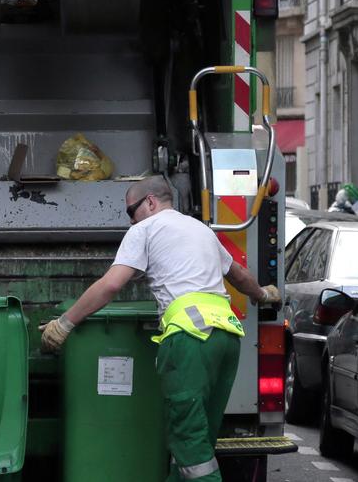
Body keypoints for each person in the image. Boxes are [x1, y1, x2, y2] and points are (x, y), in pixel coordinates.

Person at [40, 176, 280, 482]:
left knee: (190, 442)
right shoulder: (201, 230)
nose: (130, 221)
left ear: (150, 202)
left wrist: (65, 323)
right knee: (199, 441)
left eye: (131, 211)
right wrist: (263, 295)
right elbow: (239, 276)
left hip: (189, 340)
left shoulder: (145, 229)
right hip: (226, 339)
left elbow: (112, 284)